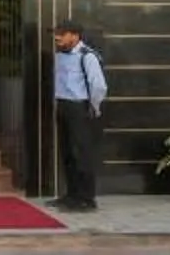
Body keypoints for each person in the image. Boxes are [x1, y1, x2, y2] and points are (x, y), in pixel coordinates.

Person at [51, 17, 108, 211]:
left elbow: (98, 85)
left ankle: (87, 198)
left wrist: (94, 106)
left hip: (80, 107)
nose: (57, 37)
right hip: (63, 106)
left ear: (75, 36)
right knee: (67, 152)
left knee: (83, 153)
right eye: (56, 33)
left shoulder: (87, 56)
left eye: (62, 33)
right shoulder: (60, 55)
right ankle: (71, 195)